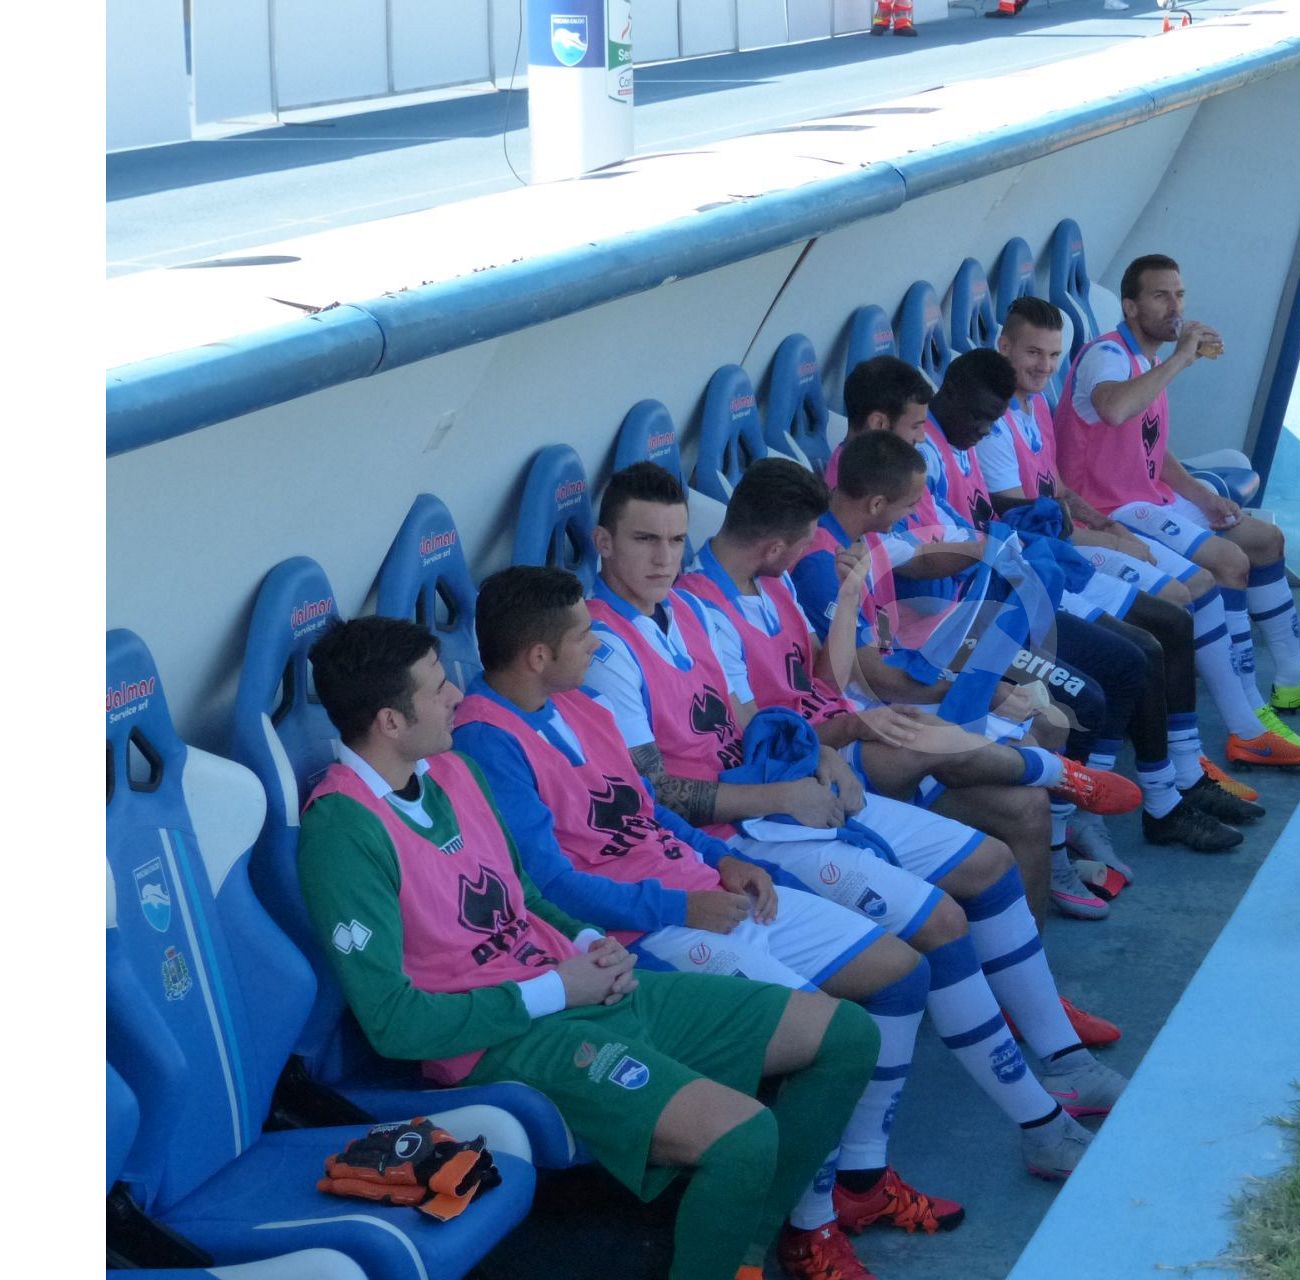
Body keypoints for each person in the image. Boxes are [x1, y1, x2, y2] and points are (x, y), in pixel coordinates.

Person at [297, 615, 879, 1280]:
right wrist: (558, 989)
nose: (457, 693)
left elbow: (524, 898)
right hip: (500, 1040)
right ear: (390, 722)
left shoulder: (453, 771)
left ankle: (743, 1248)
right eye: (436, 688)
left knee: (846, 1035)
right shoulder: (341, 831)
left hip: (578, 984)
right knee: (743, 1138)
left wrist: (590, 943)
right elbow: (394, 1024)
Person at [587, 463, 1128, 1174]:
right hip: (738, 833)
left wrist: (817, 753)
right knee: (934, 925)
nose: (663, 559)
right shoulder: (604, 650)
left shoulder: (688, 613)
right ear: (603, 542)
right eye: (644, 540)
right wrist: (787, 791)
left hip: (788, 798)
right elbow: (650, 794)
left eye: (673, 540)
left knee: (989, 862)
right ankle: (1022, 1126)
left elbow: (750, 724)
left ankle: (1062, 1060)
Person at [448, 566, 954, 1274]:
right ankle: (803, 1227)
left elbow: (647, 809)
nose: (597, 643)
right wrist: (683, 905)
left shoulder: (581, 702)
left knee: (901, 973)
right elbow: (551, 885)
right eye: (584, 634)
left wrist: (724, 860)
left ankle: (859, 1180)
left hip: (697, 889)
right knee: (823, 1039)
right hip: (644, 927)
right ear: (538, 655)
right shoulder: (485, 741)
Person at [680, 458, 1149, 917]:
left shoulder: (772, 579)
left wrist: (849, 599)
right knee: (924, 736)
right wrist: (852, 728)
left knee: (1027, 808)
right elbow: (756, 739)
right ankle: (1060, 774)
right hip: (816, 751)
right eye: (805, 542)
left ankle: (1035, 956)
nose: (811, 549)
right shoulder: (703, 611)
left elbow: (824, 678)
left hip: (843, 718)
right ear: (774, 548)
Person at [915, 348, 1255, 857]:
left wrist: (1077, 524)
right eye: (1033, 352)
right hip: (991, 606)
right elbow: (958, 544)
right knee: (1122, 667)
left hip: (1026, 576)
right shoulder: (928, 453)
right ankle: (1080, 822)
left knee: (1163, 630)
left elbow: (1024, 505)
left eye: (1053, 353)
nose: (985, 430)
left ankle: (1174, 784)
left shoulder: (980, 429)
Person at [1054, 253, 1300, 751]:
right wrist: (1181, 358)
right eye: (1160, 296)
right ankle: (1250, 717)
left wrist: (1201, 493)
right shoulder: (1107, 355)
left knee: (1265, 540)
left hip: (1151, 497)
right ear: (1131, 307)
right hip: (1110, 509)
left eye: (1179, 295)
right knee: (1228, 562)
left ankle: (1292, 677)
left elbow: (1149, 444)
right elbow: (1115, 410)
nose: (1174, 306)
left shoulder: (1148, 360)